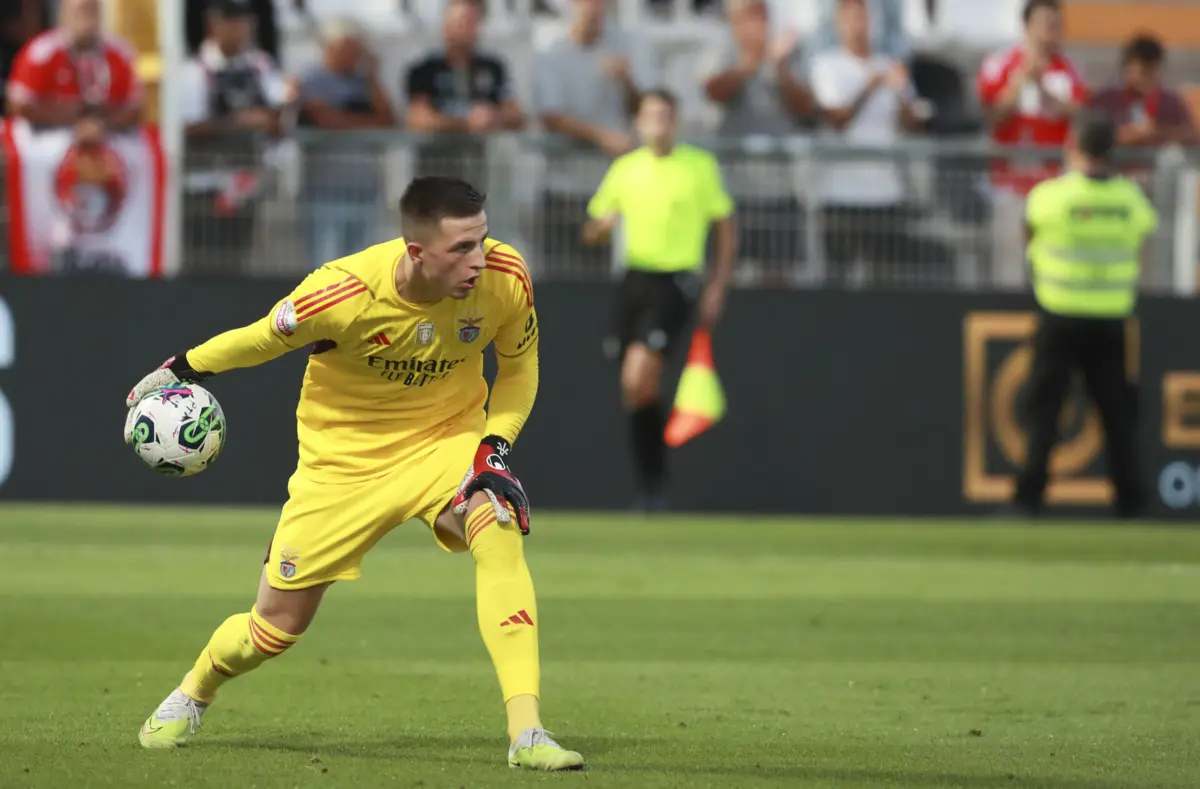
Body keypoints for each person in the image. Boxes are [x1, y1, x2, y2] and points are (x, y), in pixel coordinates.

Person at [125, 177, 585, 772]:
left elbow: (520, 374)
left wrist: (491, 452)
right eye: (461, 249)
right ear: (417, 253)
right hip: (341, 467)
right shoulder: (341, 292)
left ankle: (527, 733)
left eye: (483, 239)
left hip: (444, 443)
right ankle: (194, 691)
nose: (479, 259)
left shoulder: (506, 278)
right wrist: (181, 368)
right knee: (273, 630)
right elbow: (262, 339)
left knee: (494, 520)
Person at [582, 90, 736, 511]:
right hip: (634, 279)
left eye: (666, 116)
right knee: (634, 389)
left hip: (677, 278)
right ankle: (652, 484)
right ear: (639, 123)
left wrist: (718, 285)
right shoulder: (626, 169)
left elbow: (725, 227)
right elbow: (593, 226)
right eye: (651, 116)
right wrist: (600, 227)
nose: (659, 124)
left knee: (637, 376)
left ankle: (653, 485)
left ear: (676, 121)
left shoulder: (698, 166)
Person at [1011, 112, 1157, 519]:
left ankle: (1029, 500)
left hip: (1059, 313)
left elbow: (1028, 235)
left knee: (1045, 411)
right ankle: (1129, 503)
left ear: (1071, 145)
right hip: (1111, 317)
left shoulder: (1050, 196)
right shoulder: (1130, 199)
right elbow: (1145, 246)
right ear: (1112, 150)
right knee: (1117, 414)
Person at [809, 0, 933, 287]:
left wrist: (901, 91)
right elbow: (838, 118)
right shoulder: (827, 66)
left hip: (886, 194)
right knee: (837, 283)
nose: (858, 25)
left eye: (862, 17)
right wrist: (870, 85)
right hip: (840, 196)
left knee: (886, 281)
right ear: (839, 23)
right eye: (850, 18)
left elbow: (914, 124)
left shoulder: (890, 66)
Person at [533, 0, 660, 276]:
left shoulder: (626, 48)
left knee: (604, 278)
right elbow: (551, 117)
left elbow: (644, 110)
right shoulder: (552, 53)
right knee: (556, 276)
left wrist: (626, 81)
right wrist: (601, 136)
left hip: (609, 191)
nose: (593, 9)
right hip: (562, 186)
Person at [977, 0, 1088, 288]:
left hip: (1053, 185)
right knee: (1008, 270)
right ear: (1028, 26)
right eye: (1046, 24)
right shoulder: (1000, 63)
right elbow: (992, 116)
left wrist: (1047, 93)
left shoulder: (1067, 69)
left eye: (1057, 25)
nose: (1052, 32)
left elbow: (1081, 112)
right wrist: (1019, 84)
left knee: (1056, 266)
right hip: (1010, 185)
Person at [294, 17, 397, 267]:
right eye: (350, 47)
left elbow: (389, 121)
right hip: (324, 190)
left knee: (360, 266)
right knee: (324, 263)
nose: (356, 54)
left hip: (364, 190)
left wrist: (372, 78)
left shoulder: (365, 83)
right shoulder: (311, 79)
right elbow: (326, 120)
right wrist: (365, 122)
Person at [404, 0, 524, 188]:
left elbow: (516, 115)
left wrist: (493, 118)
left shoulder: (493, 67)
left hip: (476, 177)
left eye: (471, 22)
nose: (466, 29)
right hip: (434, 177)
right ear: (446, 24)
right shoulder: (424, 68)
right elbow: (417, 118)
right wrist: (466, 123)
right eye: (460, 22)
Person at [5, 0, 143, 131]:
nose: (87, 19)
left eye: (92, 11)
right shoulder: (41, 53)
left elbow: (135, 107)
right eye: (81, 11)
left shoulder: (120, 53)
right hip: (48, 131)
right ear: (65, 13)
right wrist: (72, 121)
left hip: (107, 131)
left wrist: (99, 125)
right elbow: (18, 104)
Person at [1089, 34, 1198, 150]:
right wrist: (1131, 135)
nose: (1150, 78)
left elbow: (1191, 134)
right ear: (1127, 69)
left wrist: (1161, 133)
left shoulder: (1170, 102)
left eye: (1154, 71)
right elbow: (1090, 137)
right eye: (1144, 72)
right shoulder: (1104, 100)